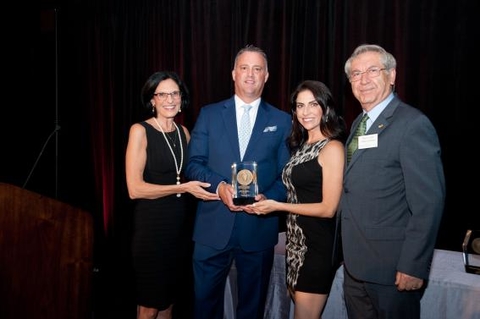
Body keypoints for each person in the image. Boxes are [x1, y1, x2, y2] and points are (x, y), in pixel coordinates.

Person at [184, 45, 292, 319]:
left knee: (252, 309)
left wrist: (267, 197)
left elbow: (286, 175)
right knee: (203, 306)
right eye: (244, 67)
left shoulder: (282, 121)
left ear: (267, 76)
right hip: (212, 227)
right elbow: (193, 164)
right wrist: (220, 186)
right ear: (234, 73)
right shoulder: (209, 114)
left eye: (258, 69)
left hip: (258, 228)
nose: (250, 74)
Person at [339, 44, 446, 319]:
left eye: (373, 71)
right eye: (356, 74)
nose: (363, 80)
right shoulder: (358, 125)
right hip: (356, 266)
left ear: (392, 75)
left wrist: (414, 265)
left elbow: (428, 203)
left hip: (392, 270)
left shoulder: (412, 124)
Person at [246, 80, 346, 319]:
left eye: (313, 104)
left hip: (317, 246)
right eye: (300, 106)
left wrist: (277, 206)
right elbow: (295, 190)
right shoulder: (301, 145)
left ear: (325, 108)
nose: (306, 112)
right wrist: (265, 198)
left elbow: (329, 208)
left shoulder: (332, 148)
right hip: (296, 244)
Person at [125, 71, 219, 319]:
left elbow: (197, 174)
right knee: (149, 306)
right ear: (152, 99)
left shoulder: (184, 133)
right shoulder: (140, 131)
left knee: (169, 303)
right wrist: (182, 188)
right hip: (151, 230)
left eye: (174, 93)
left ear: (181, 98)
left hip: (179, 231)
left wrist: (224, 188)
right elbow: (135, 189)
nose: (170, 99)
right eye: (163, 94)